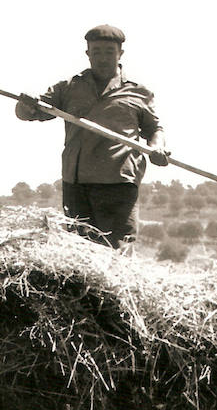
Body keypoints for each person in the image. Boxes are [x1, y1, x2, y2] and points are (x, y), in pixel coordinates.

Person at [16, 24, 169, 250]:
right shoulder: (68, 88)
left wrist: (157, 149)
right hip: (77, 183)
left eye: (109, 52)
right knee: (80, 251)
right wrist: (25, 105)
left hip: (118, 182)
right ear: (87, 54)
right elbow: (27, 113)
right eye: (96, 52)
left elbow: (155, 129)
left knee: (117, 249)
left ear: (120, 54)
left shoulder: (138, 92)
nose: (103, 58)